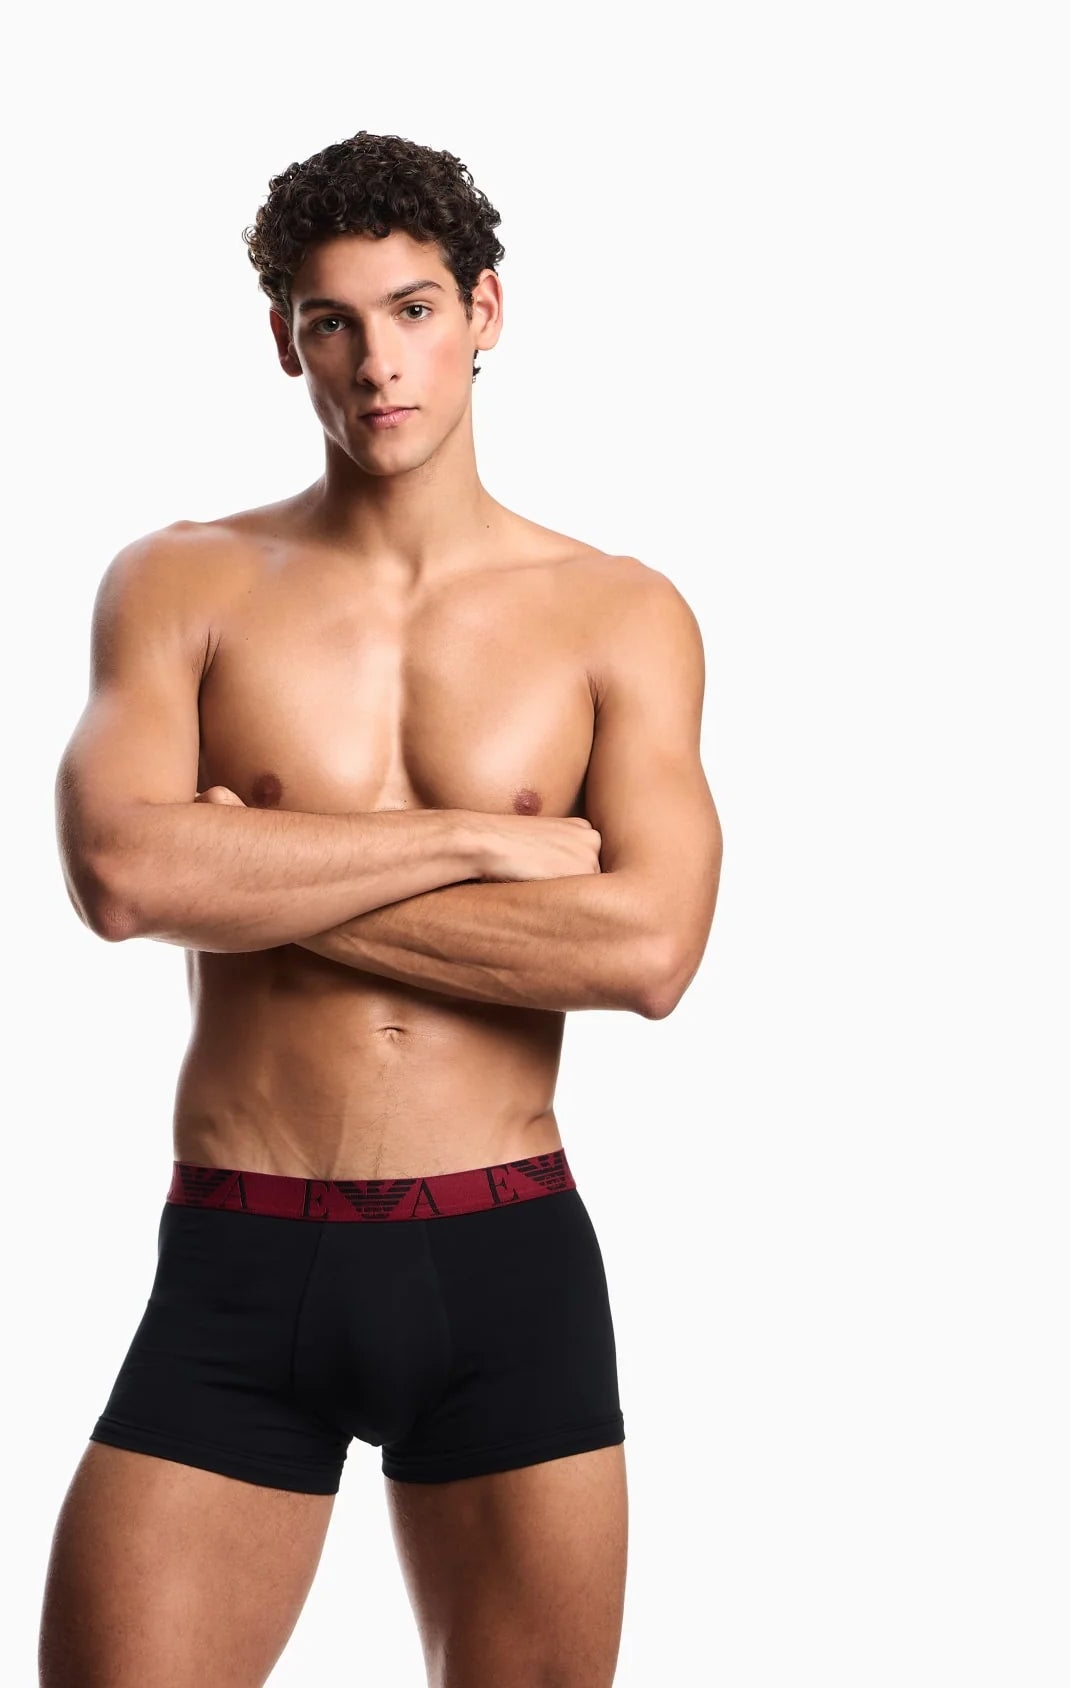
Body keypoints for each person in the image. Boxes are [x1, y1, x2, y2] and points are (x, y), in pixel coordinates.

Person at [38, 129, 722, 1688]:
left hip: (506, 1260)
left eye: (412, 310)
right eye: (332, 321)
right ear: (285, 341)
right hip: (239, 1253)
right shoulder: (181, 583)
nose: (376, 362)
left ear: (485, 310)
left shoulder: (617, 611)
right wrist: (483, 842)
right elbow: (123, 877)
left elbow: (646, 950)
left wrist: (247, 872)